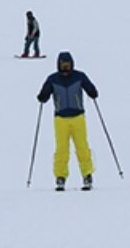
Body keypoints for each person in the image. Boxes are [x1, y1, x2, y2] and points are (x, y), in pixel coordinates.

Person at [37, 51, 98, 190]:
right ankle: (60, 176)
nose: (66, 68)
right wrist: (42, 96)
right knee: (62, 150)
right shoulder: (53, 79)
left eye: (68, 65)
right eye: (63, 65)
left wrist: (92, 92)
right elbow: (44, 94)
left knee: (82, 147)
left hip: (78, 117)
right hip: (61, 119)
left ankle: (87, 174)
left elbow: (91, 89)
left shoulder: (79, 76)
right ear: (58, 65)